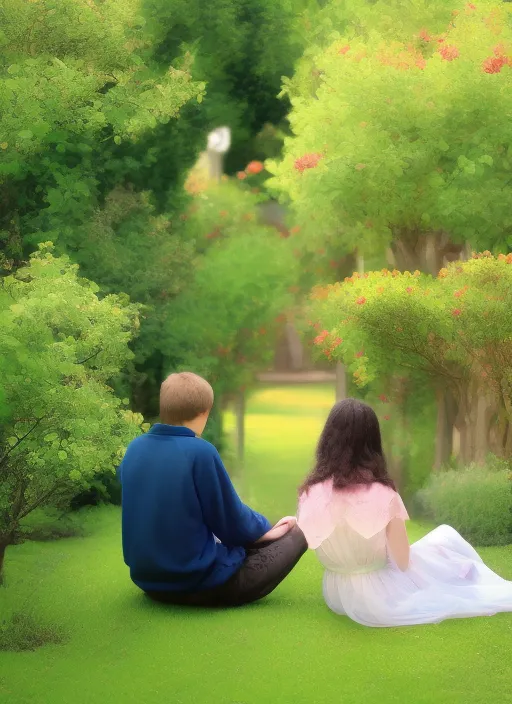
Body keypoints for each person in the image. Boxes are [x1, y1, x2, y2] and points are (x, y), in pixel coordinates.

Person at [297, 398, 512, 627]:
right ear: (371, 442)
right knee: (444, 538)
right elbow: (402, 561)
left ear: (328, 440)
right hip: (379, 594)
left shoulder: (311, 493)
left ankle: (458, 570)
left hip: (336, 592)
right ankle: (462, 572)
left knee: (438, 547)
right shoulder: (381, 492)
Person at [119, 371, 307, 607]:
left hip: (147, 581)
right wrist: (266, 531)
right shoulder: (200, 452)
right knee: (297, 533)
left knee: (239, 539)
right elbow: (231, 519)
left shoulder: (135, 449)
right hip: (197, 584)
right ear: (204, 413)